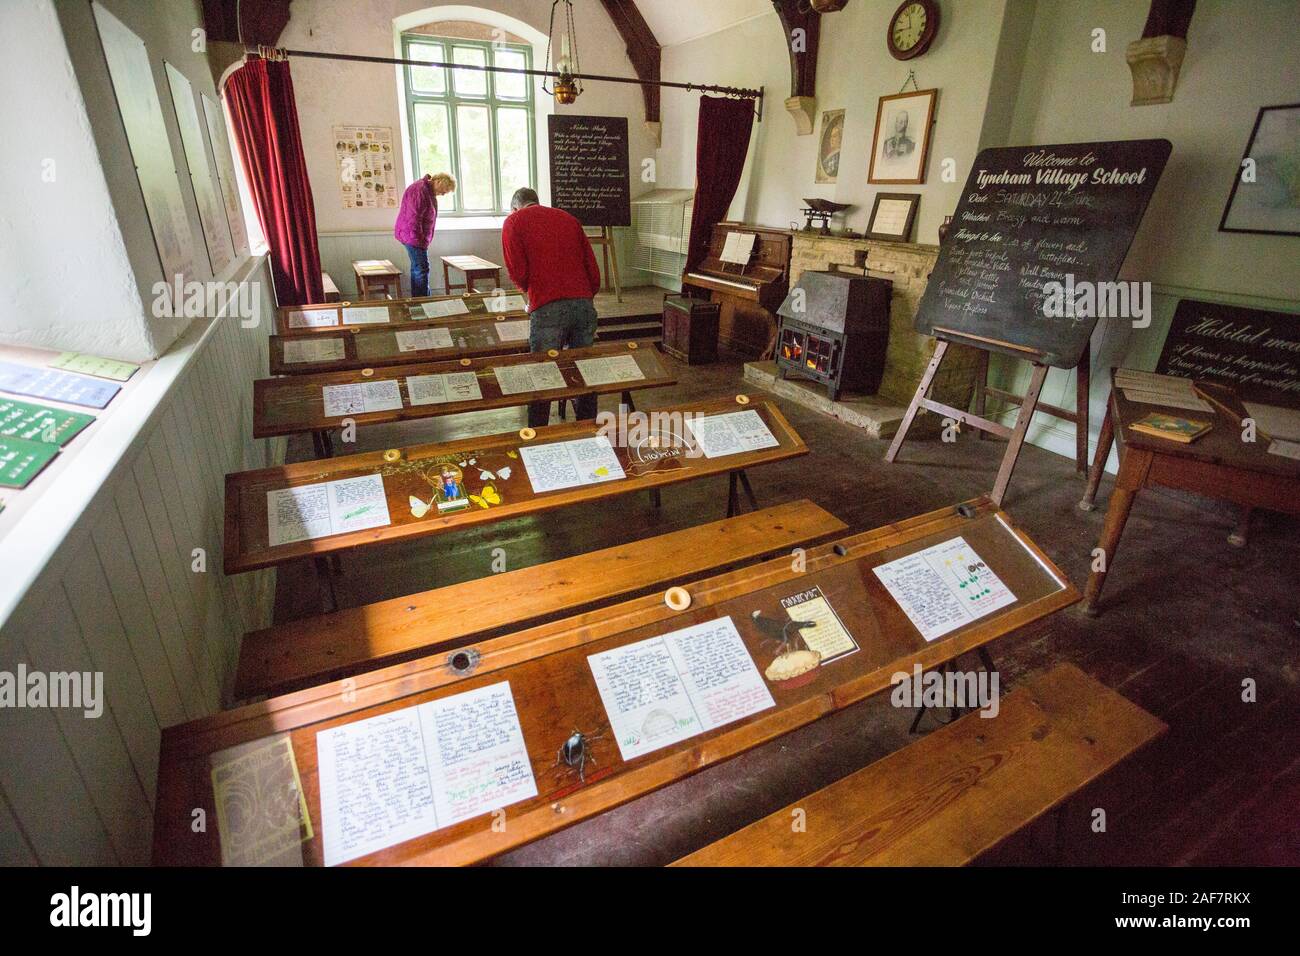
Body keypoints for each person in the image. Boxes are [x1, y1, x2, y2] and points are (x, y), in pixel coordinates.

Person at [501, 187, 603, 428]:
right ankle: (587, 429)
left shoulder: (513, 222)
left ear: (515, 207)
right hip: (583, 304)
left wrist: (532, 295)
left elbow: (517, 270)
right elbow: (593, 269)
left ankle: (538, 434)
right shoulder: (569, 219)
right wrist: (585, 296)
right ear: (537, 202)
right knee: (583, 371)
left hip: (547, 307)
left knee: (542, 374)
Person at [394, 172, 455, 297]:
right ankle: (423, 302)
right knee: (422, 269)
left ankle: (418, 301)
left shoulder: (426, 190)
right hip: (412, 236)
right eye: (444, 190)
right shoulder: (420, 190)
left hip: (413, 236)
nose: (443, 194)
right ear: (439, 182)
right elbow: (414, 218)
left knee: (417, 268)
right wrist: (420, 241)